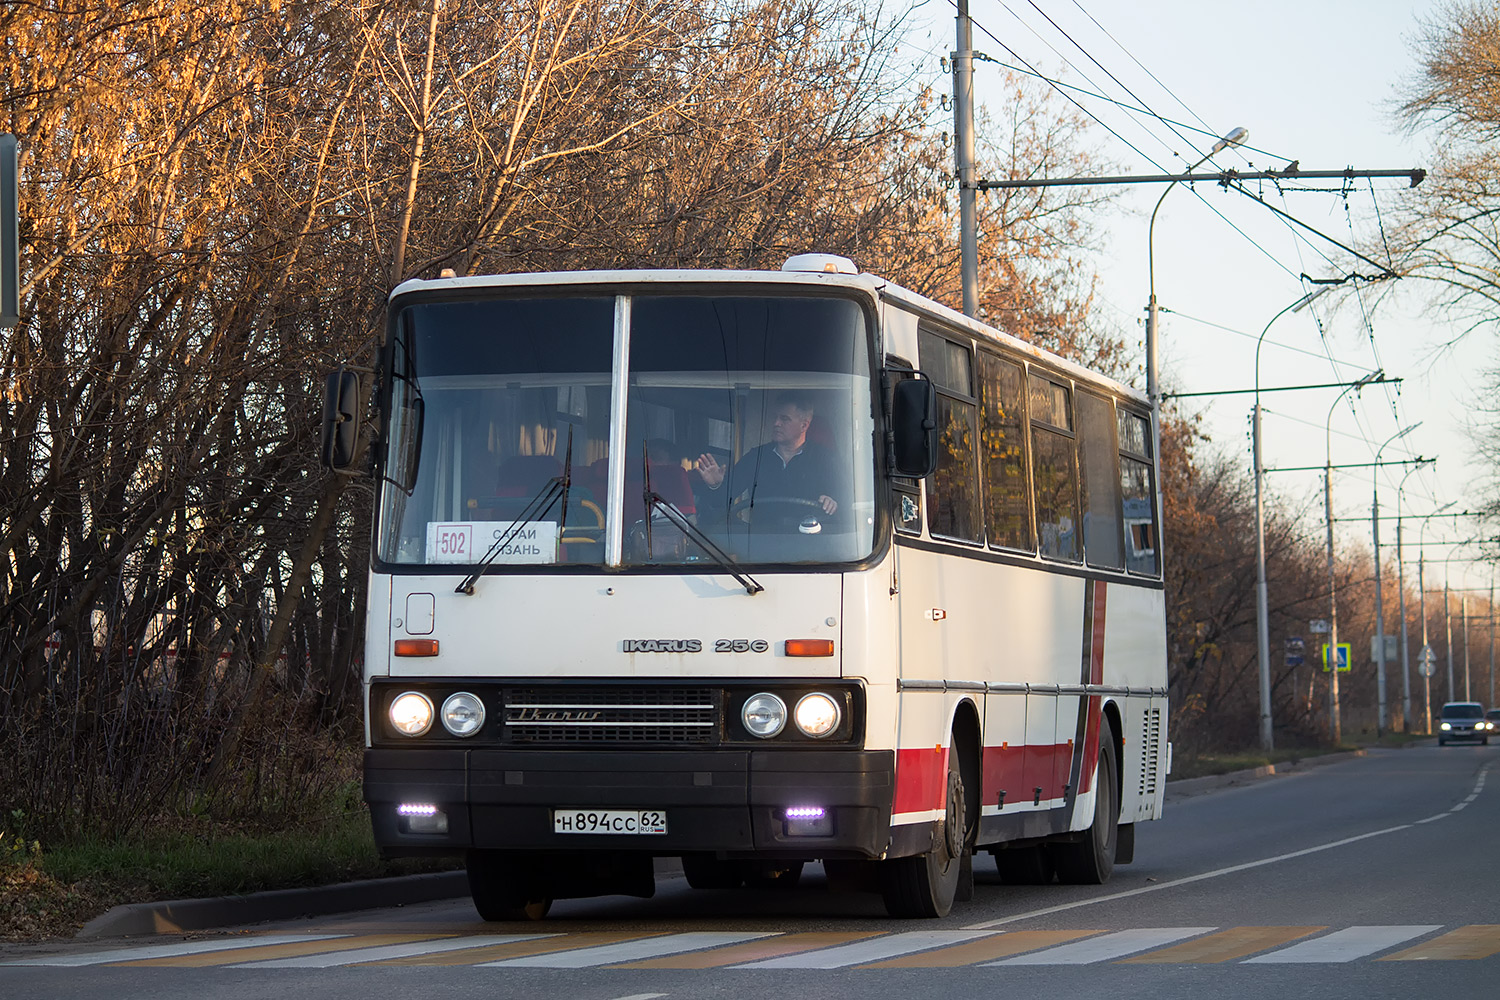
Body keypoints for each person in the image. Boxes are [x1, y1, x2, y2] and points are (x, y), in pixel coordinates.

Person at [695, 393, 839, 519]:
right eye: (775, 417)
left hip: (811, 544)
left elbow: (848, 503)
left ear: (804, 425)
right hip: (761, 542)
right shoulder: (755, 458)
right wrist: (715, 485)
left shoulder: (825, 459)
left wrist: (833, 502)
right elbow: (721, 502)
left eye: (785, 419)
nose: (776, 423)